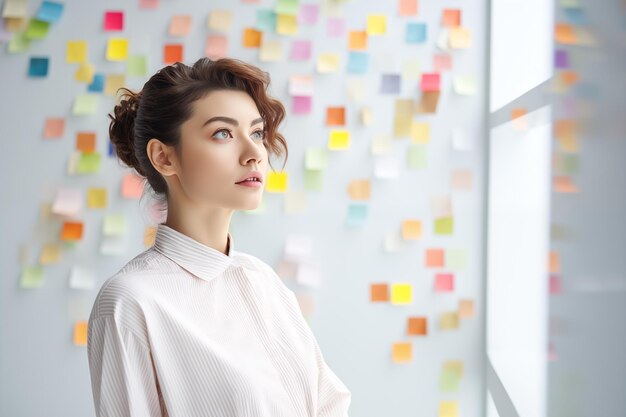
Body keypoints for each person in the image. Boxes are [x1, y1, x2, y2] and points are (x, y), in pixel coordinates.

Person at [86, 57, 351, 417]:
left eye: (256, 133)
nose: (255, 153)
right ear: (164, 157)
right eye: (223, 133)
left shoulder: (264, 282)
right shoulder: (131, 302)